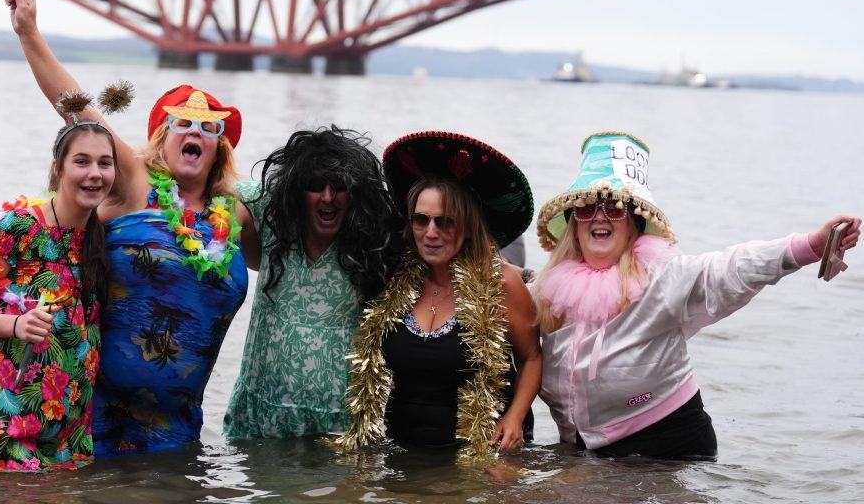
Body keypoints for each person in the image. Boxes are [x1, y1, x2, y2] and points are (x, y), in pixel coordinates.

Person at [3, 0, 259, 454]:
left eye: (208, 128)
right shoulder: (135, 181)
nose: (194, 133)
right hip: (96, 414)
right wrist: (29, 33)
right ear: (161, 137)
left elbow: (298, 250)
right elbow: (78, 110)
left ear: (219, 146)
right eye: (181, 123)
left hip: (179, 428)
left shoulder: (237, 213)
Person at [532, 131, 861, 459]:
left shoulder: (662, 277)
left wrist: (810, 247)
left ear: (632, 223)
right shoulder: (548, 290)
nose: (600, 216)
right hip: (582, 450)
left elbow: (730, 269)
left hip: (666, 446)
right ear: (574, 223)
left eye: (614, 208)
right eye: (587, 208)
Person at [0, 99, 117, 472]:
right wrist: (15, 325)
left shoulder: (100, 235)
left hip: (64, 425)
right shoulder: (19, 225)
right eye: (81, 162)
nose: (94, 173)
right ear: (58, 169)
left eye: (105, 163)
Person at [338, 131, 542, 459]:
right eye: (421, 220)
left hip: (482, 452)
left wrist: (515, 417)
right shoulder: (392, 279)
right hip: (401, 453)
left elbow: (532, 357)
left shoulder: (502, 285)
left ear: (467, 225)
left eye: (444, 222)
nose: (431, 232)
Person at [224, 127, 404, 439]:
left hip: (341, 429)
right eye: (315, 185)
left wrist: (514, 273)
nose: (328, 197)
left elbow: (440, 242)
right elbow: (220, 190)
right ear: (295, 191)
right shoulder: (274, 217)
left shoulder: (373, 243)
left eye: (340, 186)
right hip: (260, 422)